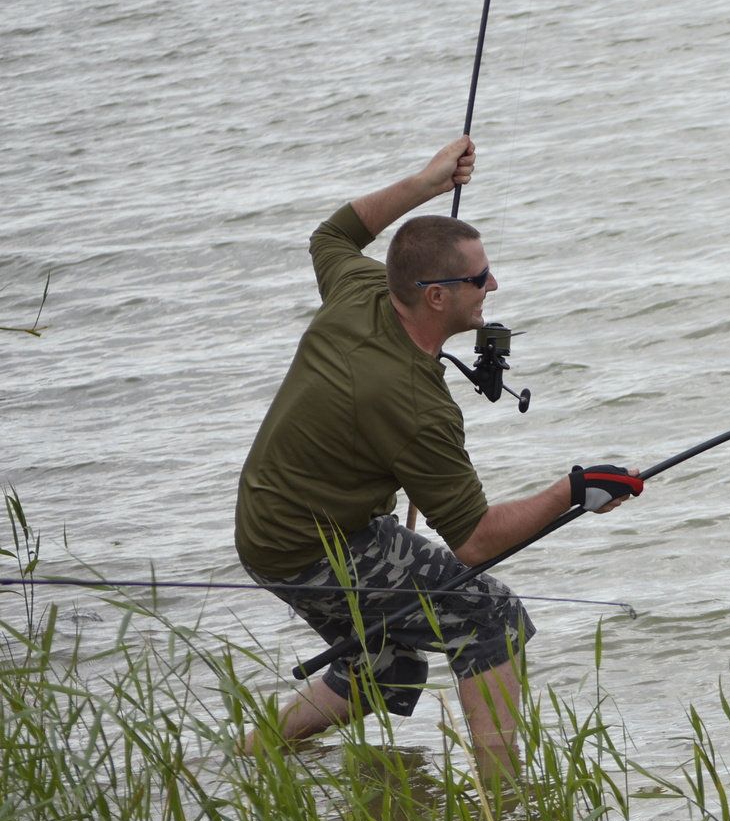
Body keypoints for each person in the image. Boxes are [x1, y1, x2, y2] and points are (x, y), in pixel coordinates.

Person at [235, 136, 641, 781]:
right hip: (308, 546)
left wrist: (428, 183)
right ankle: (508, 809)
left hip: (274, 520)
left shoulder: (361, 288)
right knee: (491, 617)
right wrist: (574, 489)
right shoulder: (412, 405)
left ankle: (253, 760)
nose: (493, 284)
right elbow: (477, 541)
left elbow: (331, 236)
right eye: (479, 278)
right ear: (435, 296)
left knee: (385, 661)